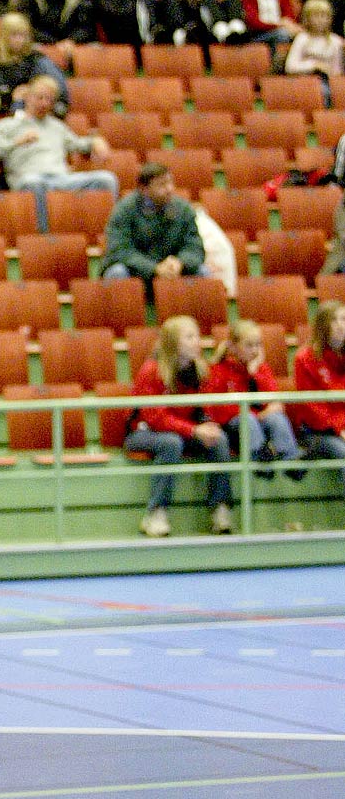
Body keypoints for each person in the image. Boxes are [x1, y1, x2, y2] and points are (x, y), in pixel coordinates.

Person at [124, 314, 234, 537]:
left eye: (198, 336)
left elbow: (206, 408)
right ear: (174, 342)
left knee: (219, 439)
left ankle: (219, 508)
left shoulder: (200, 370)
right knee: (171, 443)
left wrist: (207, 425)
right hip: (143, 432)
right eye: (190, 337)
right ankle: (156, 512)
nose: (197, 342)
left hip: (183, 430)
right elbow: (156, 418)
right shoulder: (151, 370)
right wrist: (193, 430)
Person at [0, 74, 118, 231]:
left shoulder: (57, 126)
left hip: (61, 179)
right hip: (28, 179)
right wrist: (15, 143)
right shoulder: (7, 125)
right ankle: (44, 236)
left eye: (49, 99)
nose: (44, 103)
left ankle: (109, 233)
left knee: (106, 179)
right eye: (39, 98)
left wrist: (95, 141)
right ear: (27, 97)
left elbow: (78, 144)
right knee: (34, 183)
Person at [204, 319, 303, 476]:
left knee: (277, 418)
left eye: (258, 345)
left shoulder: (261, 368)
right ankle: (259, 461)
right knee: (248, 418)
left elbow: (273, 399)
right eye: (249, 345)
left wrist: (255, 374)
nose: (255, 350)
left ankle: (290, 461)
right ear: (233, 347)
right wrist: (258, 414)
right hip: (233, 428)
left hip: (259, 423)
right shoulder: (218, 370)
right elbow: (218, 409)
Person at [100, 162, 206, 292]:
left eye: (170, 183)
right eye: (162, 184)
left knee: (203, 272)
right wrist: (154, 268)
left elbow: (194, 246)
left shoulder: (183, 209)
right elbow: (120, 250)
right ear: (144, 189)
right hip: (137, 272)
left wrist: (180, 262)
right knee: (117, 273)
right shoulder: (124, 210)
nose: (169, 189)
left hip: (173, 271)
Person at [290, 301, 345, 496]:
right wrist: (339, 429)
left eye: (344, 319)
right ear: (323, 325)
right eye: (335, 320)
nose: (341, 325)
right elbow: (312, 408)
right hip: (317, 432)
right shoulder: (305, 358)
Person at [0, 12, 69, 117]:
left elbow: (58, 90)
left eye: (23, 35)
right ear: (4, 36)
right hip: (11, 112)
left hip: (42, 109)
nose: (20, 40)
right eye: (14, 35)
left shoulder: (36, 59)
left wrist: (32, 91)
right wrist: (12, 96)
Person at [284, 0, 345, 96]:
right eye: (316, 16)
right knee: (321, 91)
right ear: (307, 18)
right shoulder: (302, 38)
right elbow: (290, 67)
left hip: (328, 82)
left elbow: (337, 71)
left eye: (324, 16)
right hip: (304, 81)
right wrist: (315, 65)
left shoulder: (335, 41)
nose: (320, 20)